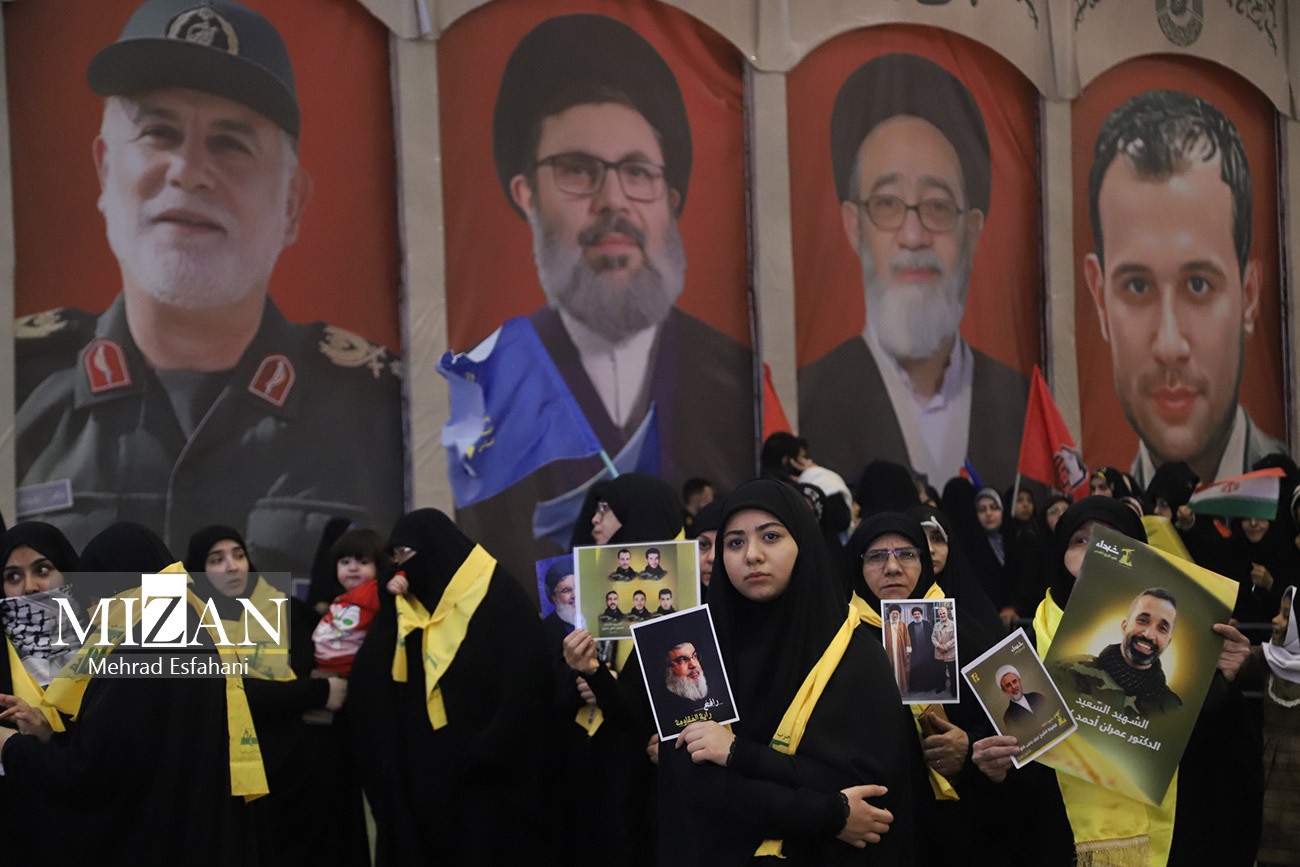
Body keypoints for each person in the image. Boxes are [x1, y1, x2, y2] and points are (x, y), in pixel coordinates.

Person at [13, 0, 404, 573]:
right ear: (104, 172)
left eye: (230, 143)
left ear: (292, 204)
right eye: (158, 133)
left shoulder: (384, 419)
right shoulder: (17, 392)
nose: (189, 171)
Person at [452, 13, 754, 581]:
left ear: (670, 200)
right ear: (527, 195)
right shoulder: (483, 392)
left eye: (637, 172)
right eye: (578, 170)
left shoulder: (737, 380)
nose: (613, 200)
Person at [972, 496, 1261, 865]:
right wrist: (995, 770)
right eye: (1081, 540)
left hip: (1169, 845)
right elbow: (1017, 779)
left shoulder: (1186, 659)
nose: (1096, 552)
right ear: (1059, 554)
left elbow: (1221, 766)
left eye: (1112, 540)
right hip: (1057, 841)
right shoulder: (1025, 653)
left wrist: (1224, 679)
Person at [799, 53, 1029, 490]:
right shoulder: (806, 404)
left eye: (937, 206)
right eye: (886, 204)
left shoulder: (1023, 407)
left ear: (972, 230)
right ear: (854, 226)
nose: (913, 235)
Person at [660, 478, 916, 864]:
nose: (752, 555)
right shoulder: (695, 652)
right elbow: (699, 785)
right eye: (735, 543)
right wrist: (827, 813)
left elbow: (866, 790)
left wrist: (736, 753)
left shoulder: (856, 654)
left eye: (771, 536)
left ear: (804, 543)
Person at [1, 522, 263, 865]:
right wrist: (49, 735)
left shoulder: (144, 643)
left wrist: (11, 746)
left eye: (95, 597)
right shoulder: (187, 622)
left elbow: (92, 773)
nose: (94, 614)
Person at [1083, 90, 1286, 489]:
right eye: (1137, 286)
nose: (1169, 345)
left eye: (1198, 284)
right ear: (1100, 300)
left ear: (1248, 295)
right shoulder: (1100, 520)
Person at [347, 509, 551, 863]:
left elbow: (526, 680)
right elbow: (372, 679)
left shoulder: (496, 595)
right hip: (430, 780)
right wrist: (388, 602)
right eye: (393, 557)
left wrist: (488, 747)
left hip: (492, 774)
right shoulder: (411, 603)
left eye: (405, 553)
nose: (400, 566)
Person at [185, 525, 364, 867]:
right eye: (216, 560)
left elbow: (327, 670)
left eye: (239, 555)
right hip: (237, 779)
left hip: (304, 776)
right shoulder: (192, 627)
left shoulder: (288, 610)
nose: (232, 566)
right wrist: (315, 692)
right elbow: (228, 692)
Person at [1051, 588, 1183, 717]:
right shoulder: (1070, 671)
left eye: (1162, 628)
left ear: (1168, 642)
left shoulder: (1171, 708)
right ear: (1125, 626)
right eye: (1142, 620)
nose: (1149, 635)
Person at [311, 528, 387, 676]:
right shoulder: (341, 600)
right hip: (323, 668)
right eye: (345, 562)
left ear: (379, 567)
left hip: (349, 673)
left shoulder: (374, 591)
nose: (352, 568)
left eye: (363, 562)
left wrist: (396, 580)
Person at [660, 640, 710, 725]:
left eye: (695, 656)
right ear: (668, 669)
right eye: (682, 660)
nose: (693, 664)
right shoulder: (665, 708)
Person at [996, 665, 1047, 735]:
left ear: (1019, 681)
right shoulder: (1008, 717)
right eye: (1008, 685)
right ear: (1004, 690)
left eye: (1014, 681)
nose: (1013, 687)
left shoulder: (1037, 696)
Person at [882, 605, 911, 694]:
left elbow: (907, 637)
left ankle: (901, 689)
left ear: (899, 614)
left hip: (900, 651)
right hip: (889, 651)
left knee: (900, 669)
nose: (895, 615)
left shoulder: (903, 624)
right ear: (890, 614)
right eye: (893, 613)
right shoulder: (885, 624)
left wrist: (908, 649)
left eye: (896, 613)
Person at [907, 606, 936, 694]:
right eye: (915, 614)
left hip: (926, 651)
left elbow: (932, 637)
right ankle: (917, 687)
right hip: (915, 651)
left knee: (927, 668)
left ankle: (928, 686)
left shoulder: (927, 624)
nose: (917, 615)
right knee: (917, 669)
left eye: (918, 614)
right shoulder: (910, 626)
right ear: (913, 615)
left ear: (921, 614)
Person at [931, 605, 957, 698]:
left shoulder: (953, 624)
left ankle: (954, 689)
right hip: (939, 653)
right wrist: (938, 646)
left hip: (950, 652)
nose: (942, 615)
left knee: (952, 673)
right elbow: (933, 637)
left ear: (947, 613)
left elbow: (955, 638)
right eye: (940, 614)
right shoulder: (936, 625)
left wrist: (945, 647)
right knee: (940, 672)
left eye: (944, 613)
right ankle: (941, 687)